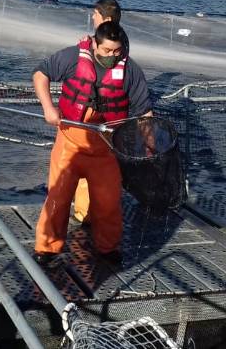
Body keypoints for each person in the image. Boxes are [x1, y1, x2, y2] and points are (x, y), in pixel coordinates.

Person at [33, 21, 152, 265]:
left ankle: (108, 248)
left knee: (108, 203)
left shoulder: (131, 71)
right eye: (107, 51)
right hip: (70, 141)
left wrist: (148, 145)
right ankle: (47, 247)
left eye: (117, 51)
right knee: (58, 197)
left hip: (106, 147)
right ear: (95, 44)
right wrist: (48, 108)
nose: (112, 56)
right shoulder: (72, 58)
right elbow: (40, 74)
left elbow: (144, 113)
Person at [74, 0, 124, 223]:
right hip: (102, 118)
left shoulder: (112, 45)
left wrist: (85, 48)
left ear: (107, 19)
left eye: (95, 14)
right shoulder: (110, 42)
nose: (92, 17)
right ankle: (92, 211)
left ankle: (86, 214)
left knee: (91, 168)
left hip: (99, 118)